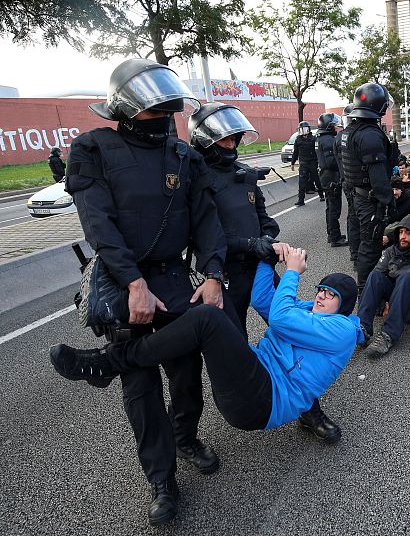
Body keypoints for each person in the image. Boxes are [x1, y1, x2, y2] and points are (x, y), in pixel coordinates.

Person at [51, 248, 362, 510]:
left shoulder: (342, 331)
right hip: (252, 374)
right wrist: (268, 257)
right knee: (213, 300)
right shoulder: (307, 309)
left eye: (331, 295)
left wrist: (292, 271)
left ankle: (109, 361)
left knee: (207, 319)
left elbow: (279, 316)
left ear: (343, 307)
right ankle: (127, 354)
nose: (322, 295)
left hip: (262, 400)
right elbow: (263, 297)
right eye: (321, 288)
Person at [64, 58, 226, 525]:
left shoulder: (184, 155)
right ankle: (162, 478)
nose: (165, 117)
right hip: (124, 280)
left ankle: (186, 436)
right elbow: (99, 224)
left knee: (186, 374)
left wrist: (213, 273)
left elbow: (205, 220)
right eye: (156, 111)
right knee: (140, 386)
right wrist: (133, 282)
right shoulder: (93, 148)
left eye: (170, 109)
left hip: (175, 280)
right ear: (126, 110)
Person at [188, 103, 280, 331]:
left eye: (234, 139)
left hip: (259, 263)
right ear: (205, 142)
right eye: (224, 140)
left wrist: (267, 237)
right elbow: (204, 237)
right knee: (234, 340)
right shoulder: (197, 182)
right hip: (225, 271)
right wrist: (250, 244)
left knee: (287, 323)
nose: (230, 145)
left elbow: (264, 219)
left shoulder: (244, 174)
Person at [358, 214, 410, 357]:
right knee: (375, 276)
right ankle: (362, 328)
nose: (403, 237)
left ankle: (388, 335)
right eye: (401, 232)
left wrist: (401, 314)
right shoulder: (392, 250)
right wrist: (383, 304)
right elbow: (377, 275)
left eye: (408, 233)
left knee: (407, 277)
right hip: (394, 301)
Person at [339, 83, 395, 292]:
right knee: (370, 246)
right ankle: (365, 291)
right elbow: (378, 178)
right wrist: (389, 202)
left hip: (356, 194)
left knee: (364, 240)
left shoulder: (349, 131)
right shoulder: (370, 134)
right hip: (369, 199)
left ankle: (368, 287)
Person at [315, 112, 348, 247]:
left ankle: (331, 234)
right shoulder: (328, 140)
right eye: (334, 124)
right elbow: (331, 162)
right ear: (328, 125)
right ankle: (335, 237)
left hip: (325, 177)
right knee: (334, 209)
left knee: (330, 208)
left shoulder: (320, 138)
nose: (336, 127)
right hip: (331, 177)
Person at [334, 105, 360, 266]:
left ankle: (354, 253)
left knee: (352, 217)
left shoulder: (339, 137)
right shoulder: (356, 136)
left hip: (346, 182)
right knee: (360, 220)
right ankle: (358, 256)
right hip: (358, 185)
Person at [291, 121, 324, 206]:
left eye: (304, 129)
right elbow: (295, 152)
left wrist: (320, 162)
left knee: (317, 179)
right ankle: (301, 200)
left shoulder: (314, 139)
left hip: (313, 163)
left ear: (308, 129)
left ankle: (321, 195)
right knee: (301, 183)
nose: (302, 131)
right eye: (301, 129)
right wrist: (292, 163)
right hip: (303, 164)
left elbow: (318, 151)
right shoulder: (298, 139)